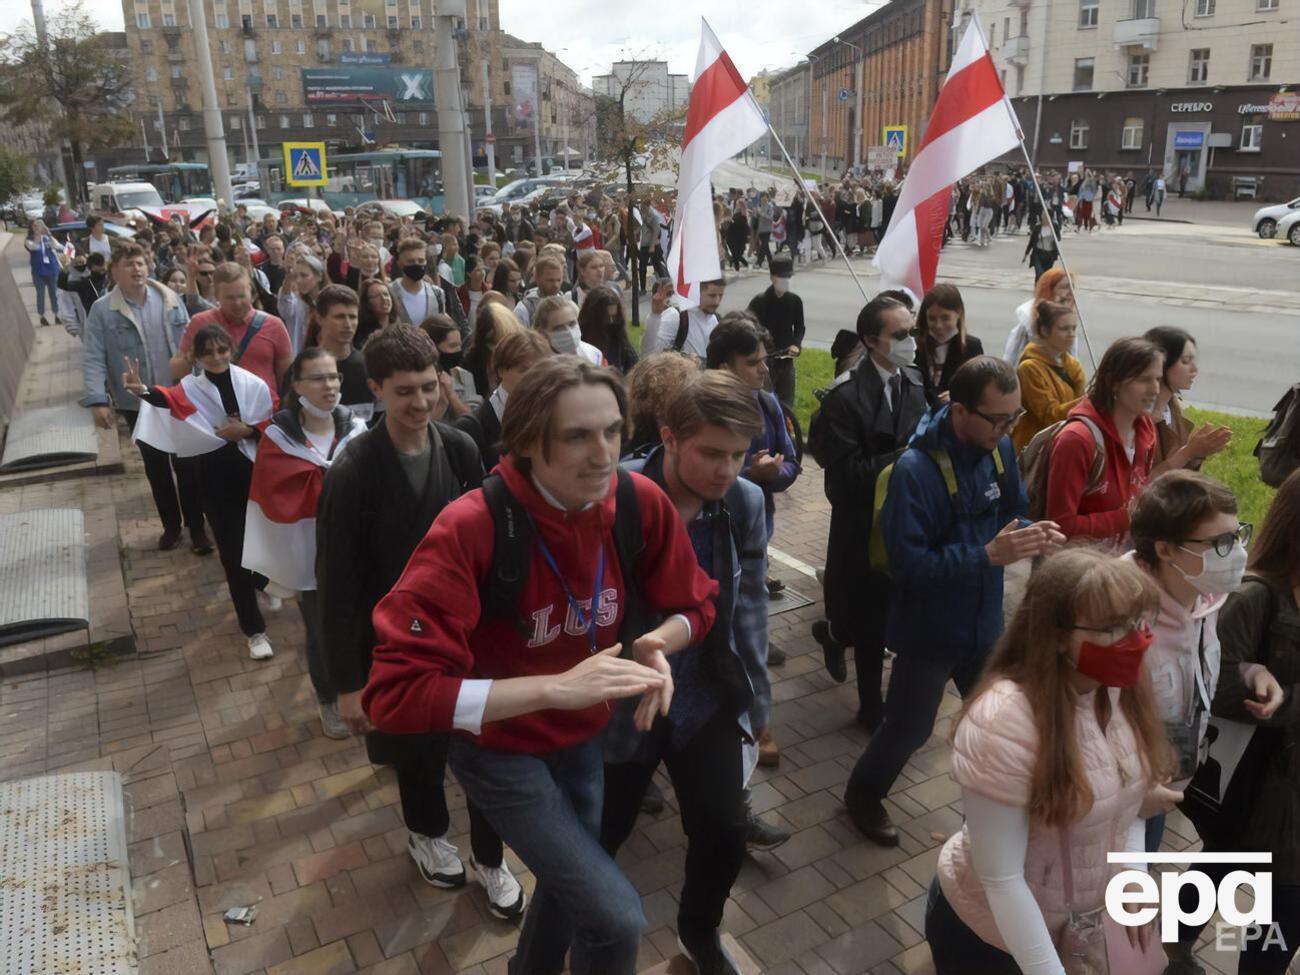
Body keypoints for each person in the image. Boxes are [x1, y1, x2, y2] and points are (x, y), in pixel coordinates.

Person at [363, 356, 720, 975]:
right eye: (578, 436)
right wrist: (552, 689)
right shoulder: (471, 527)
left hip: (582, 740)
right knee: (615, 918)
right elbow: (393, 696)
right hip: (498, 751)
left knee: (567, 886)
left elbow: (698, 602)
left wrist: (660, 641)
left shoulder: (637, 501)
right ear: (529, 439)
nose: (604, 453)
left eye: (612, 430)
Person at [316, 324, 525, 919]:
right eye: (404, 391)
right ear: (376, 388)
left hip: (467, 631)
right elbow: (337, 587)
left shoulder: (459, 448)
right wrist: (350, 684)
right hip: (394, 644)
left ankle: (492, 857)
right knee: (417, 751)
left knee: (486, 741)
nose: (421, 402)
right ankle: (427, 834)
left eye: (430, 387)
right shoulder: (351, 472)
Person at [924, 548, 1176, 974]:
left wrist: (1132, 873)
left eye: (1135, 622)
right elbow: (1001, 879)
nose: (1133, 640)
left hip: (1074, 929)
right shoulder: (1004, 722)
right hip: (997, 943)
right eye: (1111, 627)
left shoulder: (1116, 690)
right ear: (1055, 634)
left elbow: (1130, 806)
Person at [847, 357, 1065, 844]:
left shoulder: (999, 446)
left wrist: (1034, 534)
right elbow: (908, 566)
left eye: (1013, 417)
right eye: (998, 419)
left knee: (1000, 719)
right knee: (909, 728)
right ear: (960, 410)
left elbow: (1011, 516)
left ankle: (999, 808)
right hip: (929, 631)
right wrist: (987, 554)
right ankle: (862, 795)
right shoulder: (914, 471)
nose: (1008, 428)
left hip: (984, 624)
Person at [602, 371, 772, 975]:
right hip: (623, 704)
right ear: (669, 438)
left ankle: (699, 931)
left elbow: (747, 607)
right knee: (600, 838)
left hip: (704, 694)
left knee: (725, 832)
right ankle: (577, 938)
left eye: (738, 454)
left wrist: (755, 702)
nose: (727, 469)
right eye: (711, 453)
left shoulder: (744, 504)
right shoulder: (616, 494)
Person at [1126, 472, 1280, 856]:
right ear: (1166, 550)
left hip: (1166, 786)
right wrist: (1127, 797)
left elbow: (1194, 665)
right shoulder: (1116, 617)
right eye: (1221, 543)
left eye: (1239, 534)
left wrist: (1252, 671)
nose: (1239, 553)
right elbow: (1082, 727)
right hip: (1118, 800)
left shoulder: (1202, 600)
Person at [1186, 468, 1300, 975]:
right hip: (1251, 785)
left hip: (1281, 793)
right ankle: (1168, 941)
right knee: (1230, 872)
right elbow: (1219, 684)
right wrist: (1282, 697)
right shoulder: (1259, 595)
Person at [124, 324, 276, 659]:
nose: (217, 357)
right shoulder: (190, 388)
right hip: (214, 478)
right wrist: (141, 390)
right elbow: (167, 400)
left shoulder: (253, 384)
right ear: (196, 356)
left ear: (231, 350)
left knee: (263, 539)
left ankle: (263, 580)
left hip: (255, 475)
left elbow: (273, 420)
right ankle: (254, 631)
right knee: (233, 555)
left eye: (222, 350)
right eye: (208, 353)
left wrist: (247, 430)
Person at [812, 295, 928, 732]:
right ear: (871, 340)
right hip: (861, 526)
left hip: (907, 520)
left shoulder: (915, 382)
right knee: (867, 619)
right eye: (900, 335)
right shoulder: (844, 398)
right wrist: (906, 456)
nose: (910, 343)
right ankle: (869, 705)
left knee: (900, 611)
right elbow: (846, 478)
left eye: (911, 332)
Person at [242, 347, 368, 737]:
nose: (329, 386)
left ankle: (365, 691)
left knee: (363, 626)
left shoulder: (357, 429)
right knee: (321, 630)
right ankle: (328, 699)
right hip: (307, 555)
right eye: (318, 378)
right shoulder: (279, 438)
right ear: (296, 386)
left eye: (334, 377)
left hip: (356, 553)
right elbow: (269, 497)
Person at [81, 242, 210, 554]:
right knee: (157, 468)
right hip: (138, 403)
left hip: (177, 396)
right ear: (114, 271)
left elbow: (191, 346)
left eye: (140, 262)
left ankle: (197, 529)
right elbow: (93, 357)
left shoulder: (170, 300)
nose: (136, 269)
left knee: (188, 465)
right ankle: (171, 526)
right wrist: (98, 399)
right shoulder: (102, 310)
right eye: (128, 264)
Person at [1045, 337, 1161, 544]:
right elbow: (1060, 525)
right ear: (1113, 382)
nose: (1155, 390)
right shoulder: (1077, 440)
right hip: (1077, 569)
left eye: (1158, 379)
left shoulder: (1146, 430)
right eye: (1144, 380)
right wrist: (1124, 518)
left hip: (1123, 565)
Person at [181, 263, 293, 399]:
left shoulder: (274, 325)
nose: (237, 303)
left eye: (241, 296)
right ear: (216, 296)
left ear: (251, 293)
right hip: (214, 410)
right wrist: (195, 355)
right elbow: (176, 370)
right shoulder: (200, 322)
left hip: (263, 412)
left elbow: (287, 379)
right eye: (230, 298)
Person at [453, 328, 551, 472]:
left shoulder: (552, 417)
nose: (533, 377)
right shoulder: (471, 428)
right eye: (523, 370)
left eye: (539, 370)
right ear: (500, 370)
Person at [1144, 326, 1232, 476]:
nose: (1194, 369)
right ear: (1161, 363)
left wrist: (1198, 452)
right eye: (1185, 361)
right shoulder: (1135, 417)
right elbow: (1139, 488)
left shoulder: (1173, 408)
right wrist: (1189, 452)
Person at [1011, 300, 1086, 453]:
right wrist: (1086, 402)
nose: (1071, 335)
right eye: (1064, 329)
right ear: (1045, 331)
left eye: (1074, 329)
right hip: (1036, 447)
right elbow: (1049, 417)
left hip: (1065, 443)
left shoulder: (1073, 365)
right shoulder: (1029, 368)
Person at [306, 285, 375, 419]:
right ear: (320, 319)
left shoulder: (370, 367)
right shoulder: (303, 369)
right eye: (339, 317)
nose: (348, 324)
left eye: (353, 317)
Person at [745, 255, 805, 408]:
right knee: (765, 402)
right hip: (765, 361)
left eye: (789, 277)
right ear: (772, 278)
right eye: (782, 277)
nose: (786, 281)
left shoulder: (795, 301)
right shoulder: (759, 301)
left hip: (786, 361)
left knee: (787, 403)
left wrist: (796, 345)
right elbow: (747, 326)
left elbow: (799, 327)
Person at [914, 284, 985, 408]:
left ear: (958, 313)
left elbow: (979, 387)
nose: (938, 325)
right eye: (932, 318)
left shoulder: (971, 347)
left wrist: (958, 396)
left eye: (945, 318)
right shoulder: (914, 346)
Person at [1003, 267, 1076, 367]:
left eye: (1072, 287)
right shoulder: (1028, 317)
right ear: (1049, 289)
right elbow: (1011, 357)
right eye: (1065, 287)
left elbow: (1072, 354)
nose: (1070, 292)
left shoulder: (1069, 318)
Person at [642, 278, 726, 358]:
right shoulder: (676, 316)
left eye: (721, 296)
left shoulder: (715, 320)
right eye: (712, 296)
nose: (717, 301)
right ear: (696, 292)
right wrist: (655, 316)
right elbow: (649, 355)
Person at [419, 313, 481, 418]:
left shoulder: (463, 376)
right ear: (433, 347)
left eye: (459, 345)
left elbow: (472, 420)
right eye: (452, 346)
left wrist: (451, 395)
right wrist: (441, 403)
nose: (458, 351)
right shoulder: (417, 380)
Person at [577, 285, 638, 374]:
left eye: (614, 317)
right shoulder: (580, 339)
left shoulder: (617, 337)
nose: (611, 321)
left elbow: (635, 367)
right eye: (606, 317)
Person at [390, 237, 448, 327]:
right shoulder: (388, 292)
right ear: (400, 264)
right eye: (411, 261)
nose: (416, 264)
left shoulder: (438, 294)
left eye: (421, 261)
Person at [533, 295, 603, 365]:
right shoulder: (534, 365)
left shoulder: (594, 355)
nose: (569, 332)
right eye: (559, 328)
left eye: (572, 324)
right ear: (542, 334)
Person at [277, 254, 325, 355]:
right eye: (296, 276)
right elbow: (285, 304)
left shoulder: (329, 300)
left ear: (319, 276)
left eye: (304, 275)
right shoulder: (297, 303)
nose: (298, 280)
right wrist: (288, 277)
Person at [25, 218, 64, 326]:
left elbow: (58, 246)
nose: (38, 228)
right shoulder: (29, 240)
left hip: (52, 270)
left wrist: (49, 234)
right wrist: (37, 235)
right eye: (35, 226)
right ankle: (42, 316)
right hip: (38, 272)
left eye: (40, 225)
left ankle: (57, 315)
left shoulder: (47, 238)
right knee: (40, 294)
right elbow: (34, 247)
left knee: (54, 294)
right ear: (31, 228)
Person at [513, 254, 565, 327]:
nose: (556, 285)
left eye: (559, 280)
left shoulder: (568, 305)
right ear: (537, 277)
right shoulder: (523, 310)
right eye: (550, 280)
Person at [356, 276, 398, 349]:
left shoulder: (399, 326)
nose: (384, 299)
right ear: (367, 304)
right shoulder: (361, 333)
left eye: (386, 294)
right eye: (376, 296)